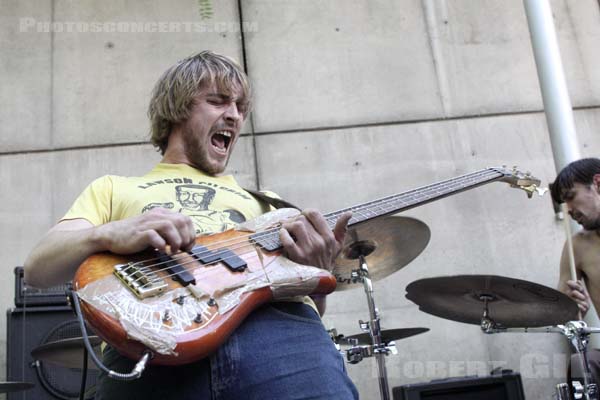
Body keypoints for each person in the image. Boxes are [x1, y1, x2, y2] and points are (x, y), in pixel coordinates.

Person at [24, 50, 359, 400]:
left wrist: (316, 275)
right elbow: (38, 269)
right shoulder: (113, 188)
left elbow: (310, 306)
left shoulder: (270, 205)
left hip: (282, 339)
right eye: (218, 101)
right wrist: (110, 232)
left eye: (241, 108)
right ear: (177, 108)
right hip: (153, 338)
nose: (234, 115)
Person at [551, 157, 600, 392]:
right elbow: (560, 312)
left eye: (571, 196)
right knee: (583, 364)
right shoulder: (576, 247)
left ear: (598, 184)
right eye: (564, 202)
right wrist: (572, 311)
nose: (569, 210)